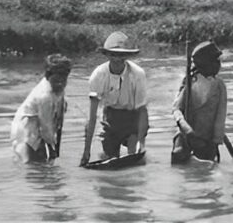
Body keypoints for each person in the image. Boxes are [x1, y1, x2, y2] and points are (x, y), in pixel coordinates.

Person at [80, 31, 149, 166]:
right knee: (110, 158)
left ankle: (133, 153)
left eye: (121, 55)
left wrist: (142, 143)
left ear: (127, 56)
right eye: (113, 55)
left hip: (132, 116)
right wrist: (86, 151)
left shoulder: (137, 74)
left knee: (132, 158)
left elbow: (142, 110)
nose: (117, 59)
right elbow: (92, 117)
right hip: (110, 116)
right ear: (107, 55)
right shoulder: (98, 75)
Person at [172, 41, 228, 163]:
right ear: (203, 65)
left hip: (206, 138)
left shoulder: (219, 86)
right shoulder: (189, 82)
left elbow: (220, 115)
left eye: (219, 62)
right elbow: (176, 110)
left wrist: (216, 141)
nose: (218, 65)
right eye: (215, 62)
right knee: (179, 157)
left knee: (206, 170)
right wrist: (187, 129)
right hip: (185, 136)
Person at [11, 54, 72, 162]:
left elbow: (58, 115)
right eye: (57, 79)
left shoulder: (58, 87)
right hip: (25, 129)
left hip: (37, 127)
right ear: (48, 76)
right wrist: (53, 147)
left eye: (64, 78)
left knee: (41, 163)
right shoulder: (45, 96)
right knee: (29, 165)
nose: (61, 83)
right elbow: (46, 127)